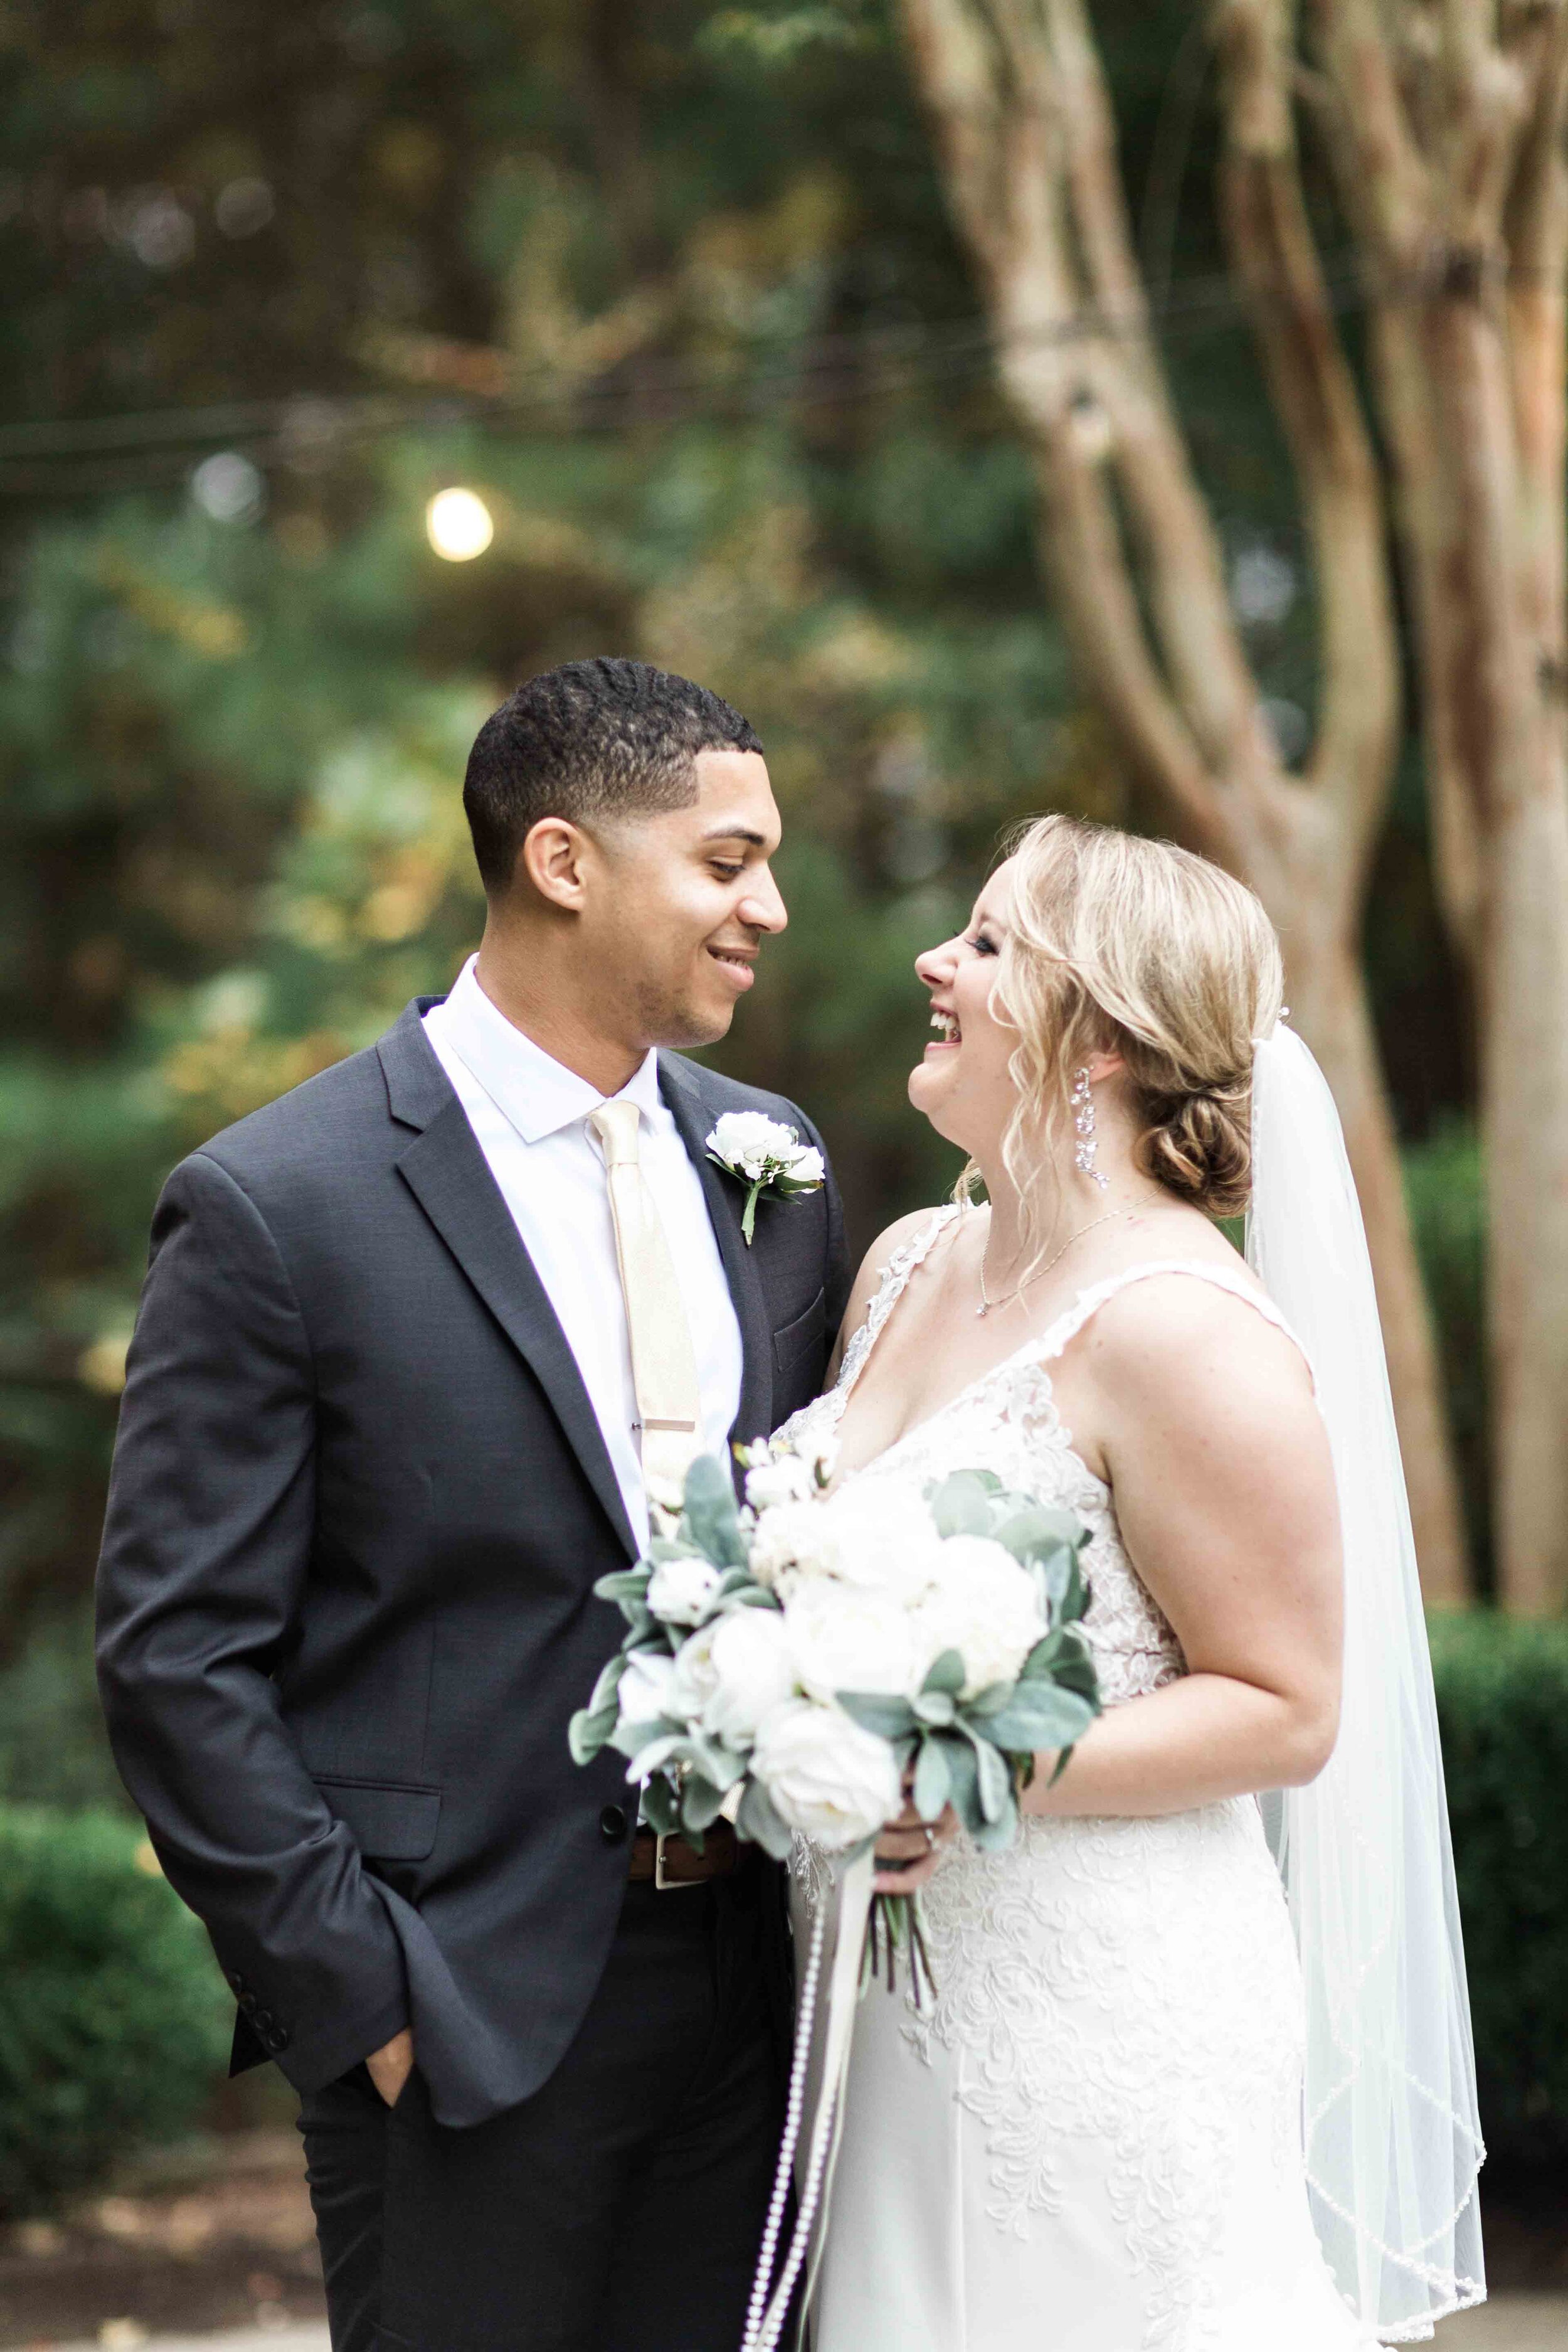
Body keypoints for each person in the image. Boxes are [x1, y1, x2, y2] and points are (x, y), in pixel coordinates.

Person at [96, 657, 859, 2352]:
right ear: (565, 861)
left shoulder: (772, 1166)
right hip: (461, 2013)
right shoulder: (275, 1205)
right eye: (727, 862)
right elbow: (175, 1655)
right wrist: (364, 1995)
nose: (772, 908)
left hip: (759, 1989)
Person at [783, 815, 1485, 2349]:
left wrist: (958, 1769)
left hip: (1094, 2008)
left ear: (1094, 1031)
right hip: (873, 2005)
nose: (934, 961)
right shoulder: (907, 1260)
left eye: (982, 941)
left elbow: (1287, 1709)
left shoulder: (1182, 1331)